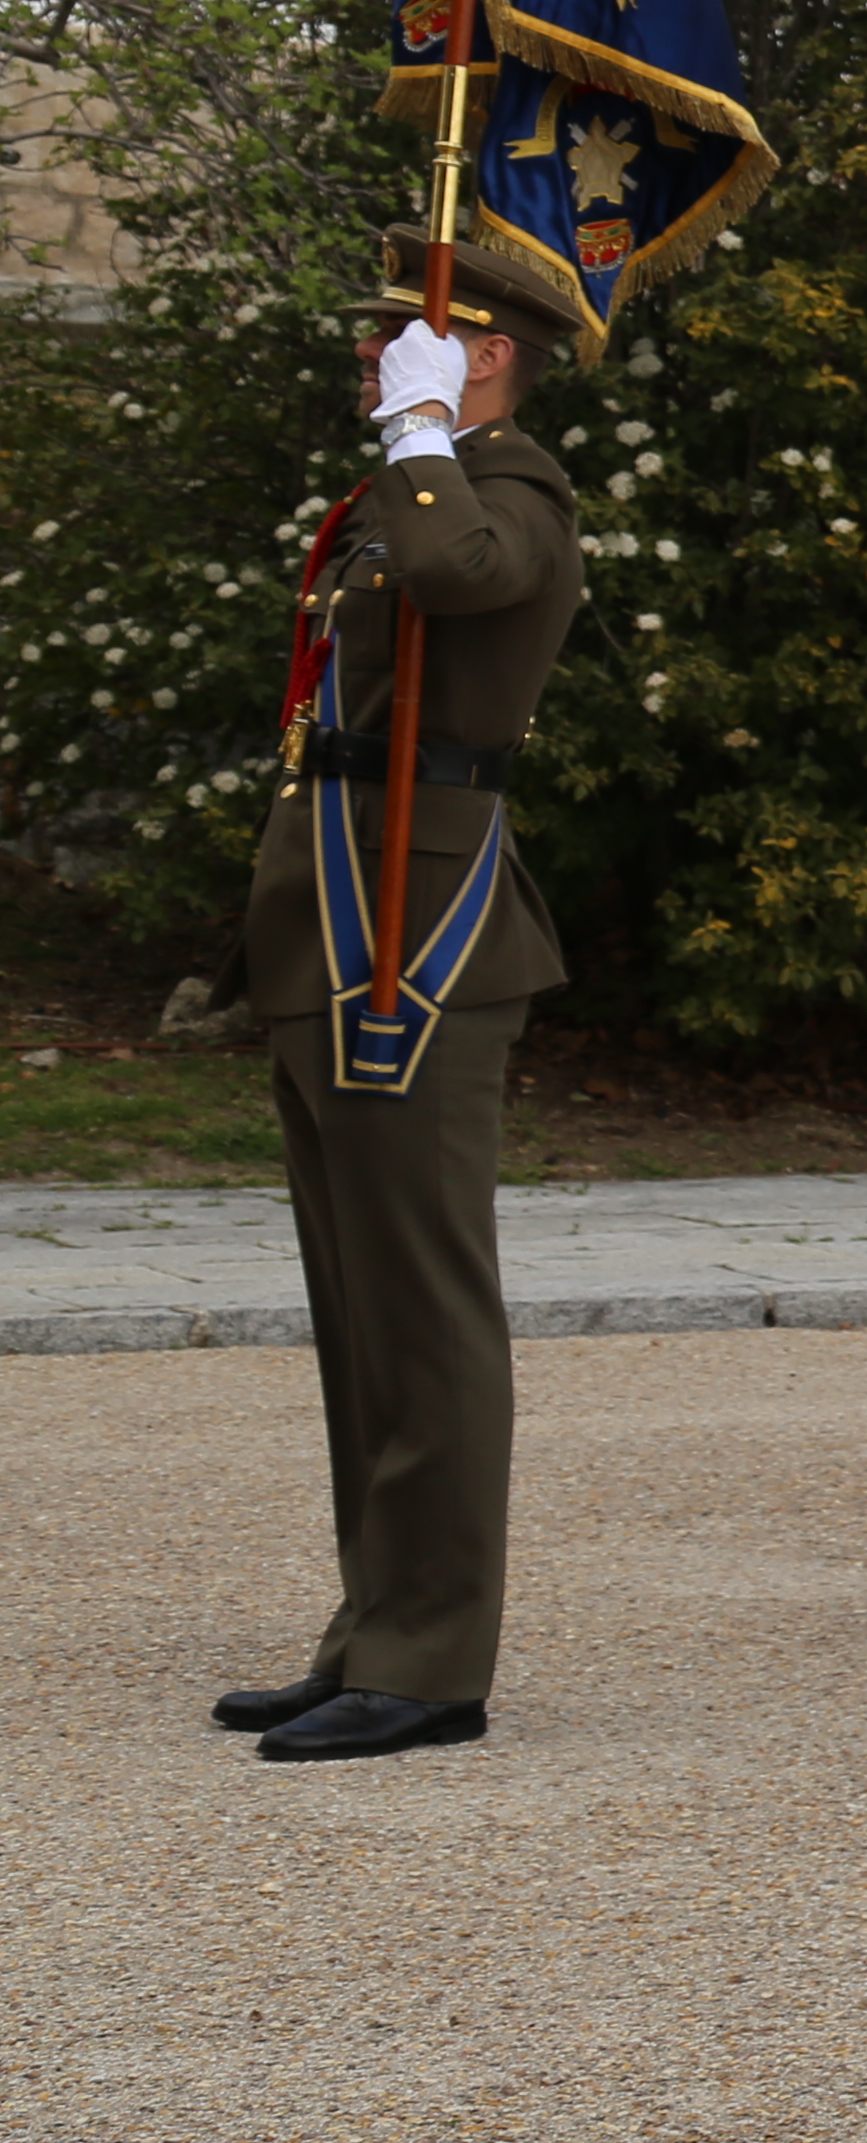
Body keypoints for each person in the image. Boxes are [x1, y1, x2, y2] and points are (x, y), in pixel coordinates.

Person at [207, 236, 587, 1766]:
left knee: (423, 1307)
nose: (380, 358)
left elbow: (458, 578)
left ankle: (434, 1656)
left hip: (418, 934)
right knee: (359, 1310)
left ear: (484, 354)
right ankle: (374, 1626)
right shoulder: (424, 482)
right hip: (337, 917)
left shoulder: (511, 493)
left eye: (410, 338)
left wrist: (422, 436)